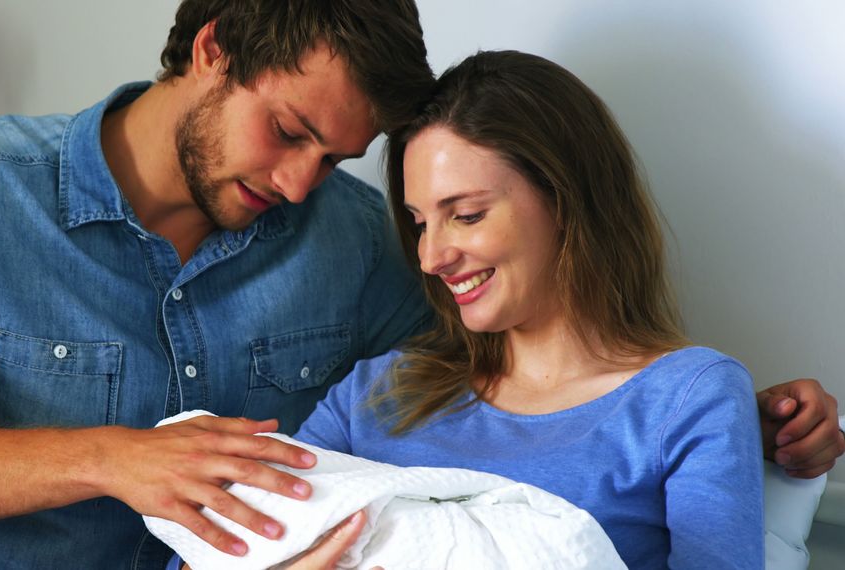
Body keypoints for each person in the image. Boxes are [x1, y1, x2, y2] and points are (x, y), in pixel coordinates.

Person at [0, 1, 841, 569]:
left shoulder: (346, 240)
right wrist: (119, 462)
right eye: (291, 131)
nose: (301, 183)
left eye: (336, 160)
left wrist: (733, 426)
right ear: (212, 51)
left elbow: (512, 373)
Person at [284, 49, 763, 569]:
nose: (429, 258)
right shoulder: (378, 393)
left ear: (565, 199)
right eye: (420, 223)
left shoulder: (688, 400)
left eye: (466, 215)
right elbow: (227, 546)